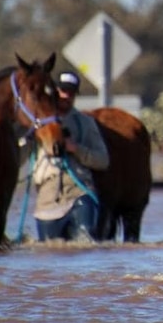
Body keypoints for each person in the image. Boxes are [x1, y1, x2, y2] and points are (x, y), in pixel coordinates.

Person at [32, 71, 110, 241]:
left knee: (86, 242)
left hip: (79, 191)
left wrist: (76, 149)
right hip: (47, 197)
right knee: (48, 251)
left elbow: (103, 160)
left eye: (72, 92)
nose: (66, 96)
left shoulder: (85, 123)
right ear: (54, 92)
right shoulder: (35, 123)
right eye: (63, 91)